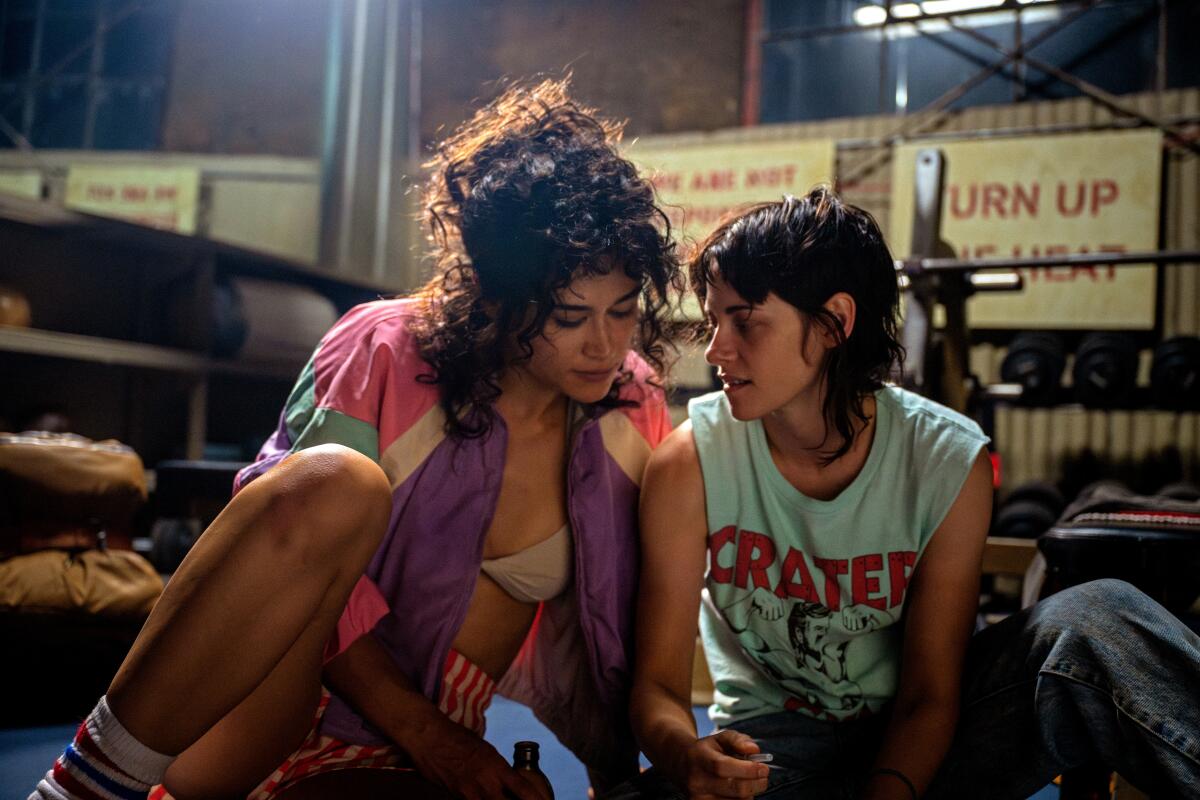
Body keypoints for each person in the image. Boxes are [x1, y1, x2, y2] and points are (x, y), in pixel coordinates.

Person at [31, 78, 679, 800]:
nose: (604, 343)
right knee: (332, 481)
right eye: (567, 316)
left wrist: (623, 782)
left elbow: (608, 627)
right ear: (499, 296)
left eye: (622, 311)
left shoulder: (631, 405)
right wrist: (434, 739)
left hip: (406, 749)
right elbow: (289, 548)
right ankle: (76, 790)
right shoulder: (381, 348)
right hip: (260, 702)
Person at [617, 187, 1200, 800]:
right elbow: (656, 689)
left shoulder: (948, 460)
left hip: (929, 737)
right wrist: (687, 758)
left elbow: (930, 695)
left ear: (835, 321)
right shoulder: (691, 462)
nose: (716, 350)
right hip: (772, 752)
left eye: (745, 321)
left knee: (1093, 618)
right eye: (714, 321)